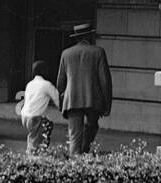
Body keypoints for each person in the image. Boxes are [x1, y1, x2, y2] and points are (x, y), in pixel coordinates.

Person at [56, 23, 112, 156]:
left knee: (74, 135)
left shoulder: (66, 54)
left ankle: (76, 160)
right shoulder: (98, 52)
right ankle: (84, 151)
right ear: (89, 36)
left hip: (72, 100)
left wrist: (61, 101)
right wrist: (107, 105)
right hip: (93, 99)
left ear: (76, 38)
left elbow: (60, 83)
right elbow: (105, 81)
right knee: (92, 126)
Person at [17, 60, 61, 156]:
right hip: (35, 117)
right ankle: (35, 158)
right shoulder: (47, 85)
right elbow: (58, 101)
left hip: (24, 116)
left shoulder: (30, 84)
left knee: (34, 135)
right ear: (44, 71)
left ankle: (34, 152)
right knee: (38, 140)